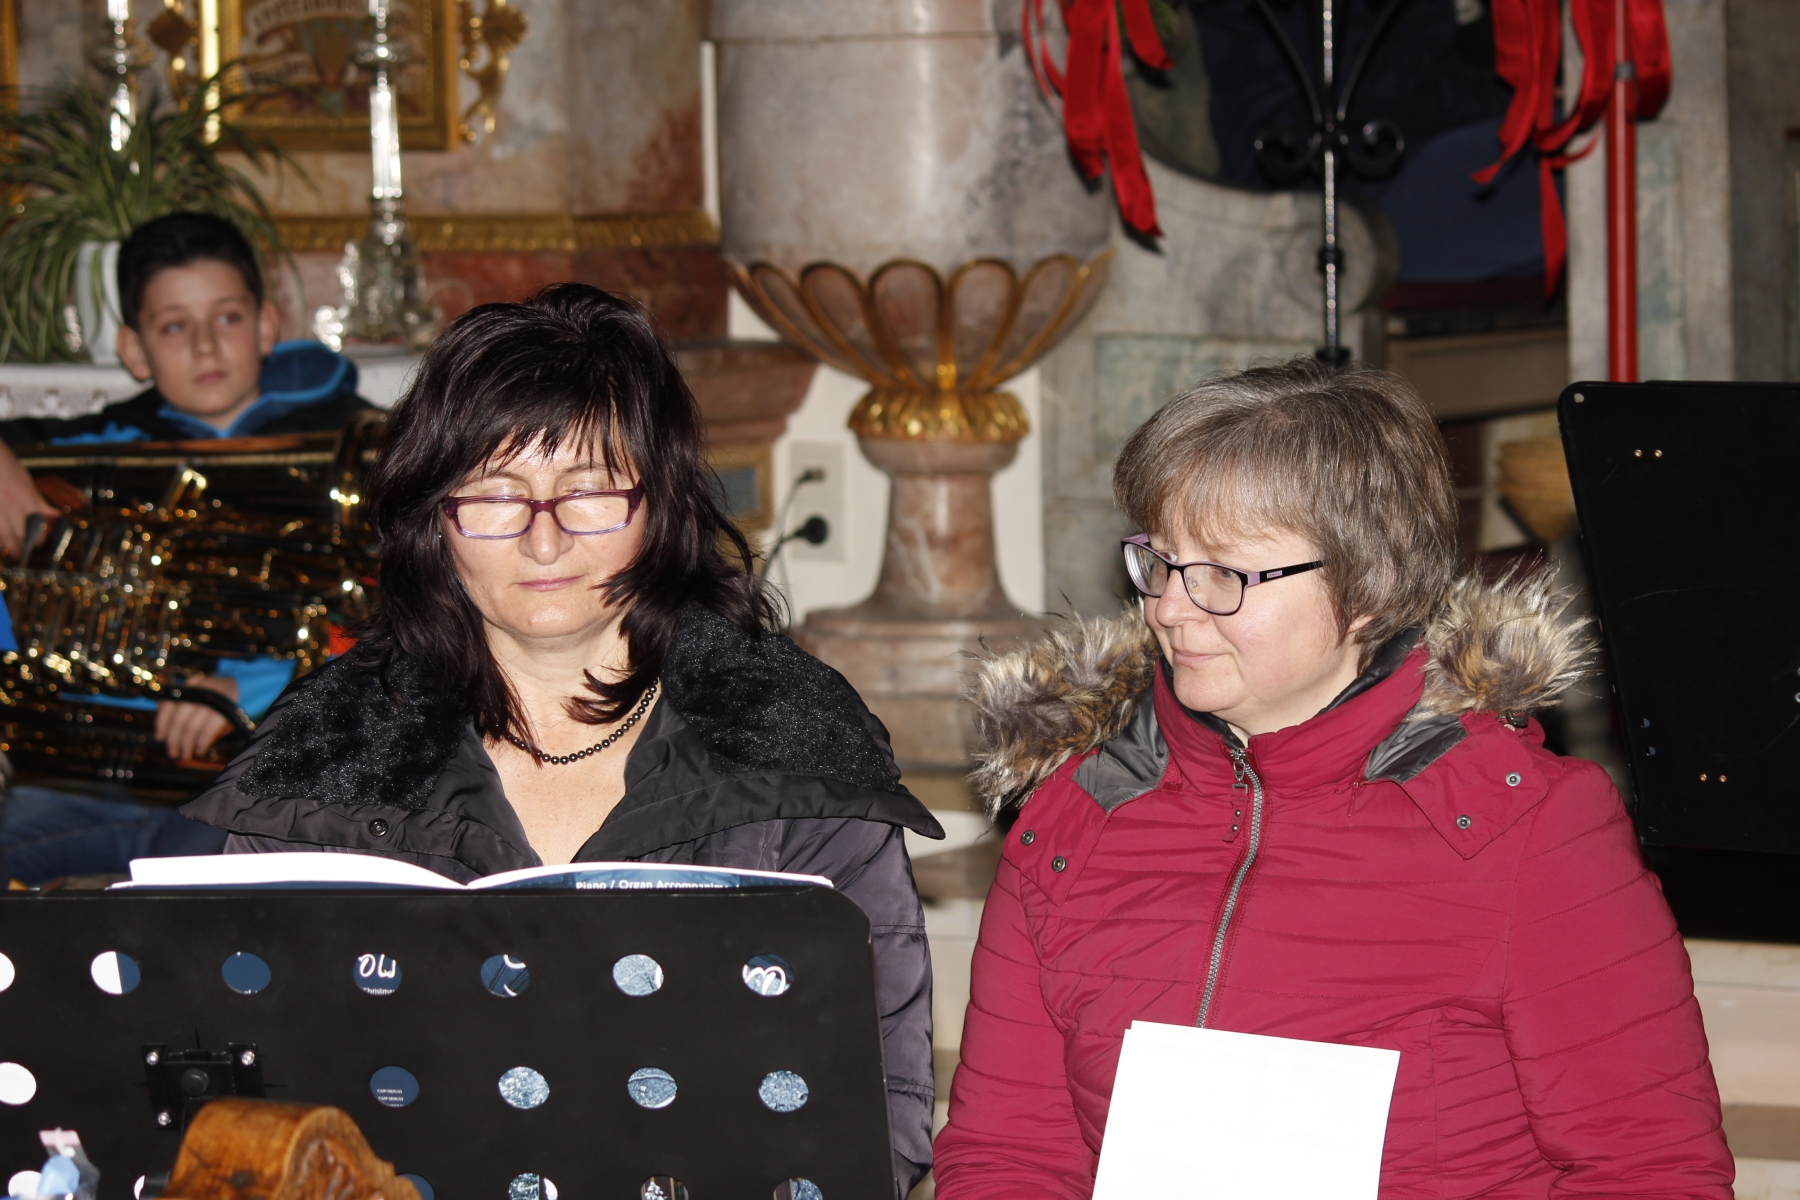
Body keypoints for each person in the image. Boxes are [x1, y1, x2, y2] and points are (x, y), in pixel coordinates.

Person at [182, 283, 944, 1194]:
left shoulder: (795, 747)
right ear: (434, 517)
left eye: (588, 493)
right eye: (496, 496)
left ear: (661, 505)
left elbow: (881, 1109)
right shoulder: (325, 759)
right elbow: (246, 1105)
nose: (543, 544)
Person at [932, 360, 1732, 1198]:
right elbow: (1008, 1156)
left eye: (1223, 574)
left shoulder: (1530, 828)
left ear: (1369, 585)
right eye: (1161, 561)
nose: (1169, 607)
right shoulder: (1073, 817)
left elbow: (1650, 1172)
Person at [0, 212, 376, 884]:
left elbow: (399, 626)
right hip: (95, 780)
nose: (205, 346)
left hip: (268, 777)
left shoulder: (347, 441)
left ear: (266, 325)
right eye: (175, 326)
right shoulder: (102, 445)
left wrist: (248, 690)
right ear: (134, 349)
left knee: (213, 901)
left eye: (227, 318)